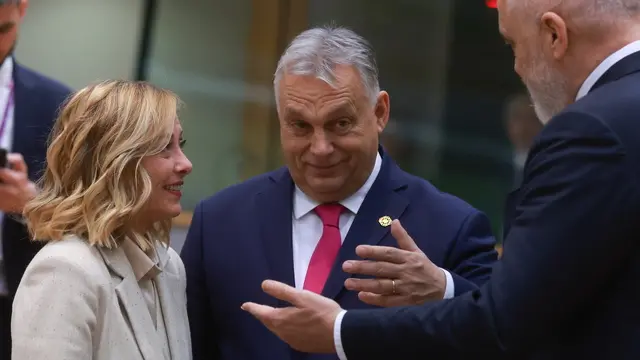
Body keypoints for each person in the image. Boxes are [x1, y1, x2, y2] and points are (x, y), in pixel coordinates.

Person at [241, 0, 640, 358]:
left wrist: (341, 330)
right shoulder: (224, 218)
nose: (516, 67)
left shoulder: (591, 130)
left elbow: (509, 324)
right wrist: (447, 292)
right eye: (299, 125)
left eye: (513, 45)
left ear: (554, 34)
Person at [180, 26, 498, 360]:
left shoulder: (451, 227)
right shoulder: (219, 223)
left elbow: (506, 337)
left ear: (380, 113)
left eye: (340, 124)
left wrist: (444, 290)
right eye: (300, 126)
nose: (320, 148)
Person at [11, 80, 193, 360]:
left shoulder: (170, 266)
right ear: (113, 163)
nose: (185, 164)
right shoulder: (64, 271)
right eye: (163, 147)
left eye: (179, 144)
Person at [0, 1, 71, 357]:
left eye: (2, 30)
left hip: (17, 300)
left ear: (22, 8)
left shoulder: (58, 104)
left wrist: (31, 202)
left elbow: (89, 214)